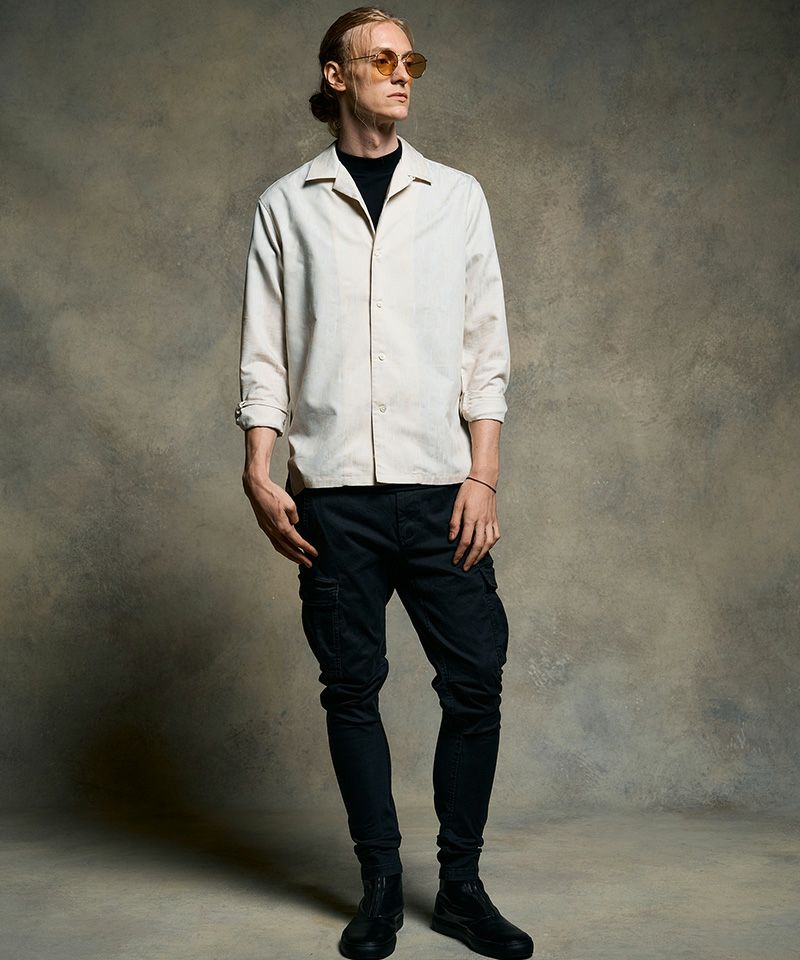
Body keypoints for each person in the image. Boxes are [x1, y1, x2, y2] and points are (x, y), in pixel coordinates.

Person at [235, 6, 533, 959]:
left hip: (443, 490)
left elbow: (485, 348)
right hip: (332, 501)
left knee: (475, 682)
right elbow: (265, 355)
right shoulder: (287, 205)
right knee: (351, 690)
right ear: (337, 76)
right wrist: (258, 467)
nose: (403, 75)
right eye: (382, 60)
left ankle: (461, 889)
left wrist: (484, 473)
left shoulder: (457, 198)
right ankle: (378, 889)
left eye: (412, 61)